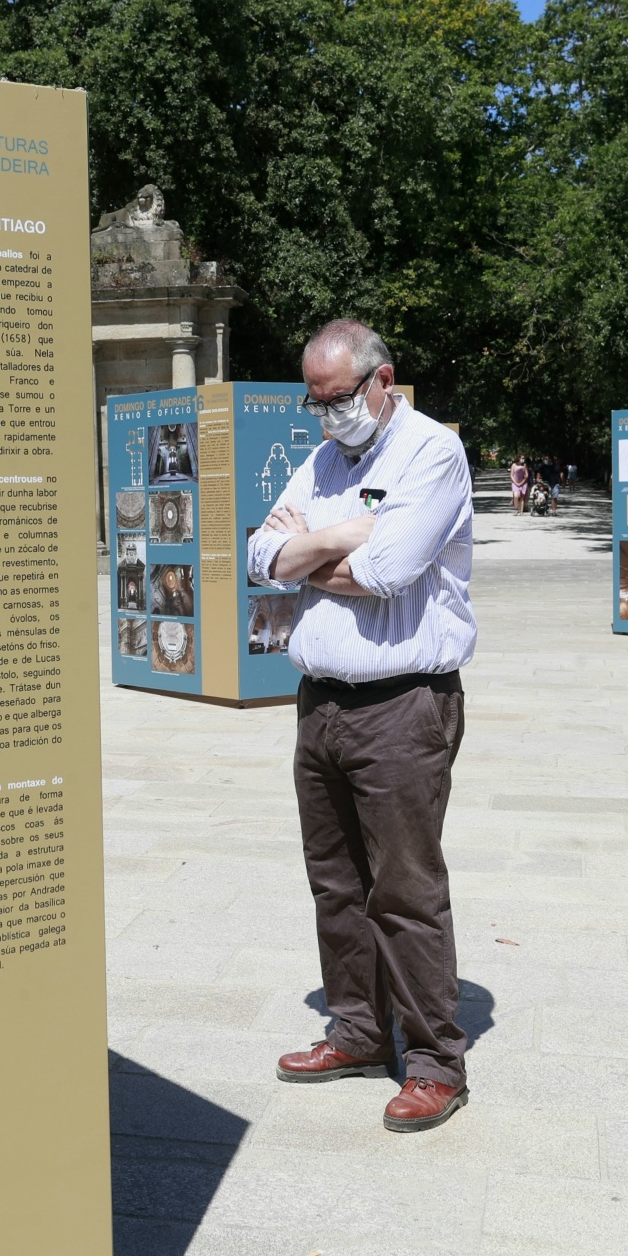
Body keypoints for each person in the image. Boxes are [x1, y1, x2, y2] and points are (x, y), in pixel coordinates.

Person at [247, 318, 476, 1133]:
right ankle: (353, 1026)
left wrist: (304, 552)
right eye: (313, 402)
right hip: (321, 705)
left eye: (337, 398)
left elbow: (388, 573)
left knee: (405, 890)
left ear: (383, 381)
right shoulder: (320, 461)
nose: (326, 415)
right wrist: (341, 533)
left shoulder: (430, 453)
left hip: (403, 703)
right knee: (335, 880)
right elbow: (255, 562)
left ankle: (432, 1060)